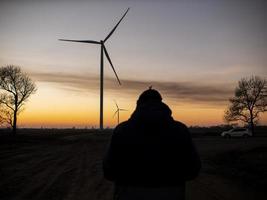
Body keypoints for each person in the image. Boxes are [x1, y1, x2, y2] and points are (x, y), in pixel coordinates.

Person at [103, 88, 201, 200]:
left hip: (129, 194)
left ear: (138, 105)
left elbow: (108, 170)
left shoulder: (121, 130)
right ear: (161, 103)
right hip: (172, 194)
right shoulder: (181, 130)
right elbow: (194, 168)